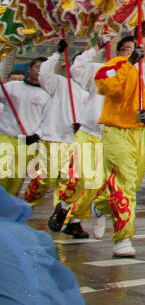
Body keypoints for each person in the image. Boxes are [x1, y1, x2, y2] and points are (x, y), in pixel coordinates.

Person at [93, 23, 145, 258]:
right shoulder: (116, 65)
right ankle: (123, 239)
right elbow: (104, 86)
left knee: (131, 183)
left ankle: (100, 206)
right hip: (117, 131)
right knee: (126, 183)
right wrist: (129, 63)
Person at [46, 37, 118, 240]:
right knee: (75, 178)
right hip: (70, 136)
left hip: (106, 137)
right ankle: (62, 211)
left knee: (95, 185)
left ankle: (74, 219)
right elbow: (76, 68)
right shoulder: (70, 82)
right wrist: (97, 46)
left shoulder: (127, 76)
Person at [30, 49, 86, 214]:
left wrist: (82, 125)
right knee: (45, 180)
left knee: (70, 182)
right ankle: (27, 205)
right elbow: (44, 74)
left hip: (77, 141)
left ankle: (61, 216)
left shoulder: (92, 91)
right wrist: (57, 54)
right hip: (55, 138)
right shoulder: (60, 83)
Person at [0, 58, 49, 199]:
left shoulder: (47, 96)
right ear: (29, 69)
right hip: (7, 136)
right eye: (37, 67)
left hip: (28, 141)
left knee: (16, 178)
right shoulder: (13, 87)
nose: (39, 71)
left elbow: (46, 120)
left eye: (43, 68)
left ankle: (7, 209)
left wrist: (37, 135)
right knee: (2, 172)